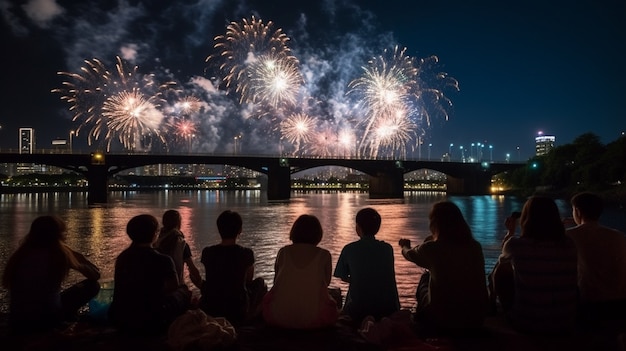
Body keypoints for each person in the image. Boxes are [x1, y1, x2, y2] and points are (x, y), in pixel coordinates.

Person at [398, 201, 489, 334]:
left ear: (435, 223)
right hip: (476, 320)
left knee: (424, 279)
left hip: (444, 321)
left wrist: (404, 245)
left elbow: (410, 254)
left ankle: (421, 318)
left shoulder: (433, 249)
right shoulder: (475, 246)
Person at [492, 196, 578, 334]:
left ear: (526, 218)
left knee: (501, 269)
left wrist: (510, 232)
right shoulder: (569, 244)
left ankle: (495, 308)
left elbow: (503, 258)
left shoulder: (515, 244)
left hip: (526, 322)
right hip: (566, 321)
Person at [2, 215, 101, 334]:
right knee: (92, 286)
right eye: (63, 233)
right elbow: (95, 275)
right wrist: (78, 257)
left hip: (18, 320)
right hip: (47, 319)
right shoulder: (59, 254)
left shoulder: (20, 254)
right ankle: (67, 318)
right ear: (57, 235)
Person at [108, 214, 191, 335]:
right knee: (184, 291)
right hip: (152, 319)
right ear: (154, 234)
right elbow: (173, 287)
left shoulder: (123, 258)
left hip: (119, 318)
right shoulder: (163, 260)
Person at [262, 214, 339, 329]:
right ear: (318, 234)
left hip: (278, 317)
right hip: (313, 320)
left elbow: (276, 281)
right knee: (335, 295)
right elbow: (325, 284)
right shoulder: (324, 255)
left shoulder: (283, 252)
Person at [566, 192, 626, 324]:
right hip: (621, 305)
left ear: (577, 211)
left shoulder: (569, 236)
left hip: (590, 306)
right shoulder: (619, 236)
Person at [200, 210, 266, 327]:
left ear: (219, 229)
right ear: (239, 230)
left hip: (211, 305)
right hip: (237, 308)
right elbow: (248, 280)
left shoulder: (207, 252)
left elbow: (210, 277)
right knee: (261, 283)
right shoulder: (246, 253)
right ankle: (252, 316)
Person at [333, 207, 400, 324]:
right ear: (377, 228)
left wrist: (358, 279)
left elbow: (342, 276)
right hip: (388, 309)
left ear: (357, 227)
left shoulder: (349, 249)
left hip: (357, 310)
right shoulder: (387, 249)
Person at [156, 209, 203, 289]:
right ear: (178, 223)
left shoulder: (155, 242)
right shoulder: (181, 243)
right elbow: (192, 268)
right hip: (175, 287)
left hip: (156, 286)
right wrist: (202, 285)